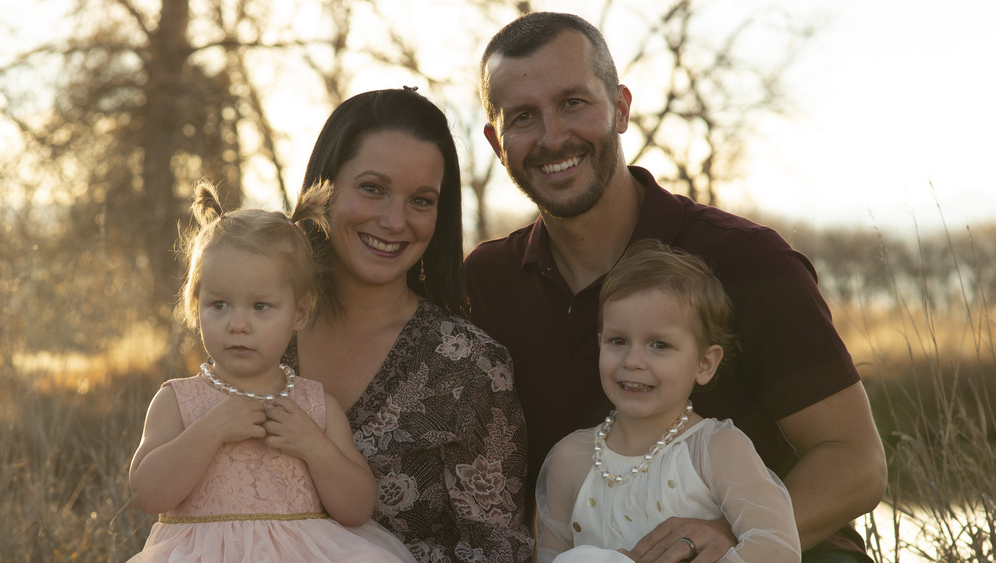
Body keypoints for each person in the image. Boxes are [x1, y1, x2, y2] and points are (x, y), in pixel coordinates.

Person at [465, 11, 887, 562]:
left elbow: (856, 462)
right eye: (524, 117)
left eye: (573, 103)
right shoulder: (485, 284)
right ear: (498, 142)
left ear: (619, 108)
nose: (552, 136)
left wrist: (728, 532)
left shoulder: (747, 261)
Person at [282, 87, 534, 562]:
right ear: (324, 186)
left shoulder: (470, 370)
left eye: (421, 200)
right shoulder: (262, 331)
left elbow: (496, 552)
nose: (395, 220)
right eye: (373, 188)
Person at [128, 180, 414, 561]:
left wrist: (314, 446)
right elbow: (147, 493)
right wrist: (210, 429)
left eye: (260, 307)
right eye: (220, 305)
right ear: (195, 308)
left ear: (299, 312)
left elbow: (357, 507)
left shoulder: (314, 405)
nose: (238, 324)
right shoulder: (178, 401)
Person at [536, 239, 801, 563]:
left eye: (659, 345)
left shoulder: (716, 449)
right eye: (618, 340)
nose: (633, 361)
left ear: (704, 363)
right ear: (599, 344)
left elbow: (777, 546)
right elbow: (549, 557)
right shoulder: (571, 458)